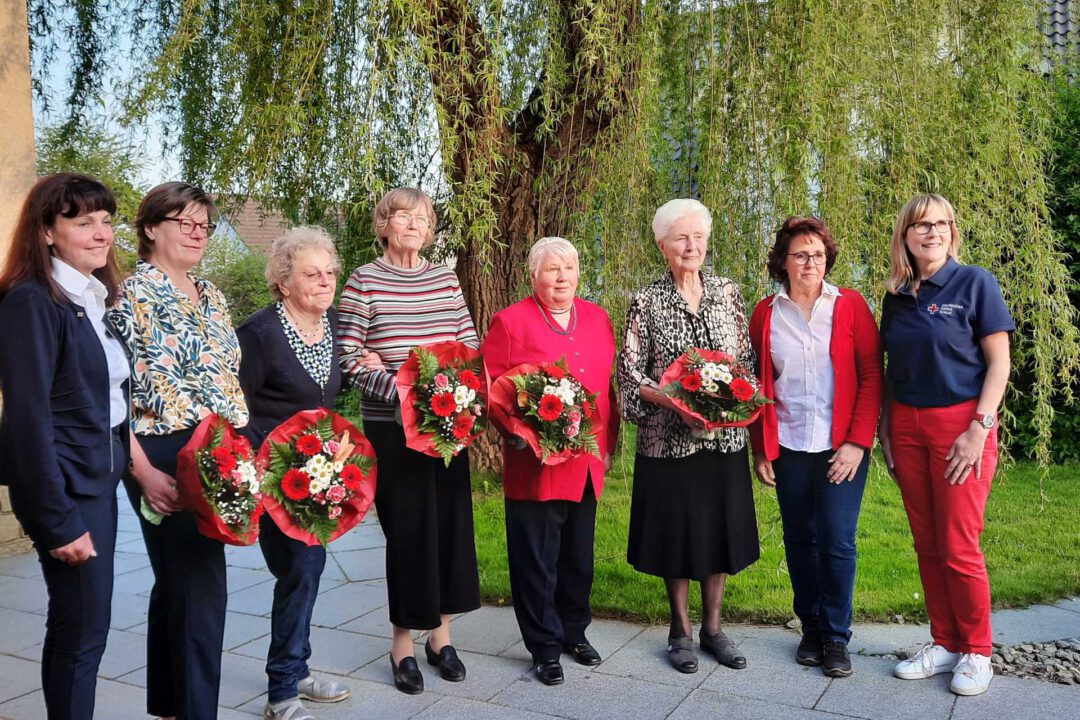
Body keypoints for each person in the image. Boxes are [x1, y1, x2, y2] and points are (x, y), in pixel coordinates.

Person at [109, 182, 248, 719]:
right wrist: (139, 468)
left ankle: (170, 705)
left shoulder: (211, 294)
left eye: (204, 226)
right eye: (183, 223)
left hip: (220, 447)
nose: (197, 234)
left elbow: (227, 378)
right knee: (200, 588)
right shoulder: (128, 295)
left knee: (179, 584)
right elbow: (113, 396)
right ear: (150, 228)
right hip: (161, 450)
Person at [337, 187, 480, 695]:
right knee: (408, 534)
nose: (414, 225)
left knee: (448, 530)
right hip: (394, 431)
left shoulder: (445, 277)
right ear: (383, 225)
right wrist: (405, 388)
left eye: (422, 218)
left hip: (447, 427)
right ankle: (402, 645)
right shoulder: (364, 283)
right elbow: (350, 358)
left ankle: (441, 638)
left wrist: (445, 390)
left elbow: (469, 346)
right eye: (403, 217)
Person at [0, 173, 129, 719]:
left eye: (106, 220)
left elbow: (105, 400)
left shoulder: (89, 296)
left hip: (95, 482)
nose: (101, 234)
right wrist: (57, 519)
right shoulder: (33, 302)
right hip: (68, 492)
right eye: (83, 223)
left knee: (85, 626)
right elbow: (27, 421)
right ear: (47, 232)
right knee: (81, 631)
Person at [617, 198, 759, 674]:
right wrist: (671, 401)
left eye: (698, 236)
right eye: (681, 237)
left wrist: (732, 404)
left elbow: (746, 364)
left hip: (724, 442)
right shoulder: (645, 300)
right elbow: (629, 373)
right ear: (663, 245)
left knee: (719, 530)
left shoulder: (728, 292)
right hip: (667, 441)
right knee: (676, 534)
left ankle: (714, 629)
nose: (691, 245)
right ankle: (680, 630)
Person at [879, 194, 1012, 697]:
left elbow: (998, 363)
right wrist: (887, 429)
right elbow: (894, 370)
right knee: (927, 543)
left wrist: (980, 427)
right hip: (908, 428)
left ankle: (978, 651)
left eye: (940, 224)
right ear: (905, 236)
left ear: (952, 231)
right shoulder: (896, 295)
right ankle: (946, 642)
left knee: (958, 545)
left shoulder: (975, 283)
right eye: (920, 226)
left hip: (962, 427)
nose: (931, 233)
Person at [481, 237, 620, 687]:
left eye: (569, 268)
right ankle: (543, 646)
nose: (562, 277)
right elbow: (492, 390)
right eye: (551, 269)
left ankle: (574, 632)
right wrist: (517, 433)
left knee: (578, 555)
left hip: (585, 462)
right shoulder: (510, 321)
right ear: (533, 275)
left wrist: (610, 443)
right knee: (536, 558)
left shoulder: (598, 318)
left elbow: (607, 387)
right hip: (534, 466)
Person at [748, 216, 882, 678]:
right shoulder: (766, 313)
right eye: (801, 254)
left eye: (819, 255)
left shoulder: (851, 306)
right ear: (782, 261)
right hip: (788, 445)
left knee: (838, 540)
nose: (811, 262)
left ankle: (837, 637)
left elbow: (871, 378)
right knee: (800, 539)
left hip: (840, 447)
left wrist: (856, 443)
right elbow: (758, 384)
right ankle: (810, 627)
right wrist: (761, 448)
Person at [237, 227, 351, 720]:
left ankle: (295, 671)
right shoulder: (259, 334)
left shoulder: (336, 325)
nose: (324, 282)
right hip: (271, 472)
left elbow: (329, 396)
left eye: (329, 273)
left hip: (316, 476)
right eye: (311, 274)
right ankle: (283, 690)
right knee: (301, 569)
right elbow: (235, 409)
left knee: (305, 570)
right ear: (283, 282)